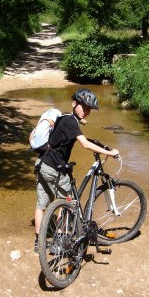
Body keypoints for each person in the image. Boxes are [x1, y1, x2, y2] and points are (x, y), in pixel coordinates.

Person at [33, 88, 119, 252]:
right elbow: (84, 144)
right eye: (84, 107)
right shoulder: (71, 122)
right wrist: (109, 152)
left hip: (42, 164)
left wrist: (94, 139)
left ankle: (39, 243)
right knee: (69, 202)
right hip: (54, 168)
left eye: (89, 109)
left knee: (41, 204)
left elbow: (73, 135)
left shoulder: (65, 118)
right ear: (74, 104)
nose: (86, 111)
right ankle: (59, 241)